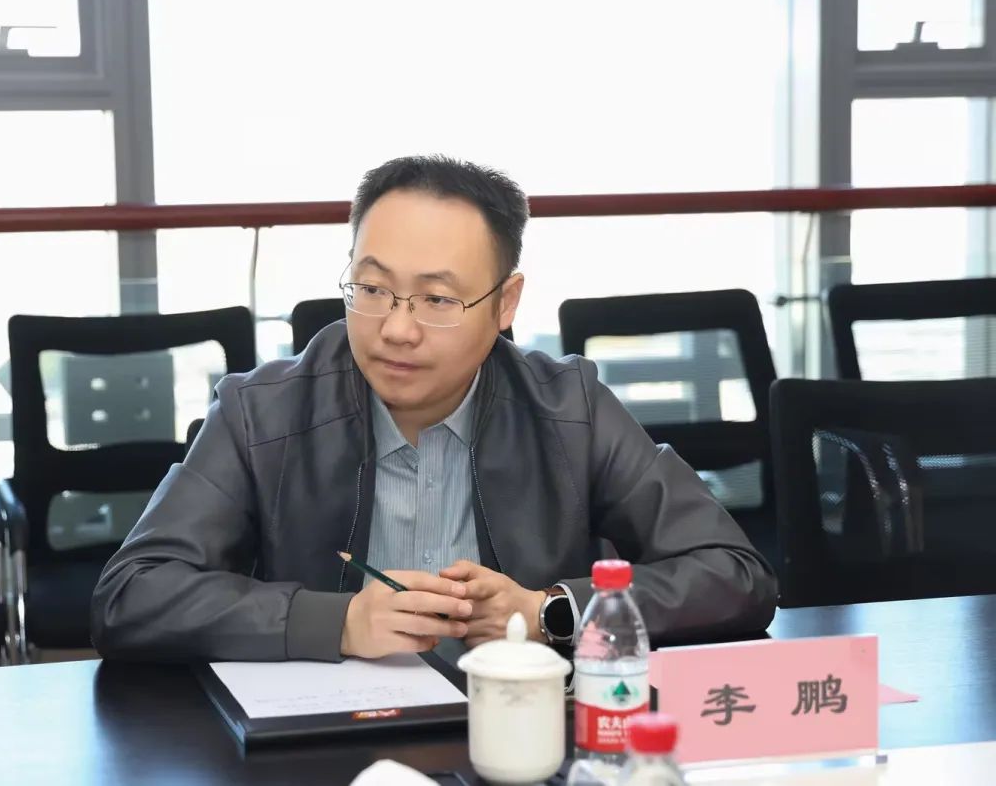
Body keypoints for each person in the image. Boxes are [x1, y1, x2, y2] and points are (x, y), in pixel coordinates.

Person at [90, 155, 777, 663]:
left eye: (438, 299)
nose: (397, 328)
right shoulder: (259, 413)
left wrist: (549, 611)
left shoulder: (570, 408)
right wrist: (337, 623)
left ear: (505, 303)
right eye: (373, 289)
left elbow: (735, 573)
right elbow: (131, 595)